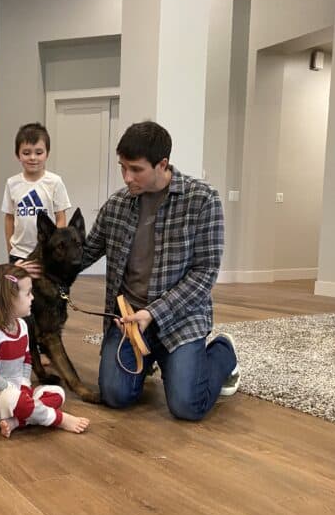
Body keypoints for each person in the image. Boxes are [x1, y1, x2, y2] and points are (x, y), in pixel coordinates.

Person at [81, 121, 240, 421]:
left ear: (162, 164)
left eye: (136, 169)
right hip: (128, 321)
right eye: (122, 167)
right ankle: (153, 358)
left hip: (181, 319)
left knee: (187, 406)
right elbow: (86, 253)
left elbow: (205, 273)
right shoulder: (116, 205)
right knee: (115, 395)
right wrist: (38, 263)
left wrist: (153, 313)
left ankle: (223, 351)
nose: (127, 177)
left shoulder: (202, 200)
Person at [0, 264, 90, 438]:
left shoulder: (22, 326)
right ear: (8, 299)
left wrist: (25, 385)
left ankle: (18, 421)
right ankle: (58, 419)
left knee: (58, 393)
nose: (33, 298)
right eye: (27, 294)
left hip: (16, 393)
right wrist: (15, 390)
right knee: (14, 399)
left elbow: (26, 359)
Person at [1, 122, 72, 264]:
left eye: (39, 152)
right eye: (26, 153)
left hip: (47, 252)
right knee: (19, 287)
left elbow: (61, 218)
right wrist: (10, 248)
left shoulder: (55, 182)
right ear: (18, 155)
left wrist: (55, 246)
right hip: (19, 253)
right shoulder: (11, 183)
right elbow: (9, 218)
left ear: (47, 154)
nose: (33, 157)